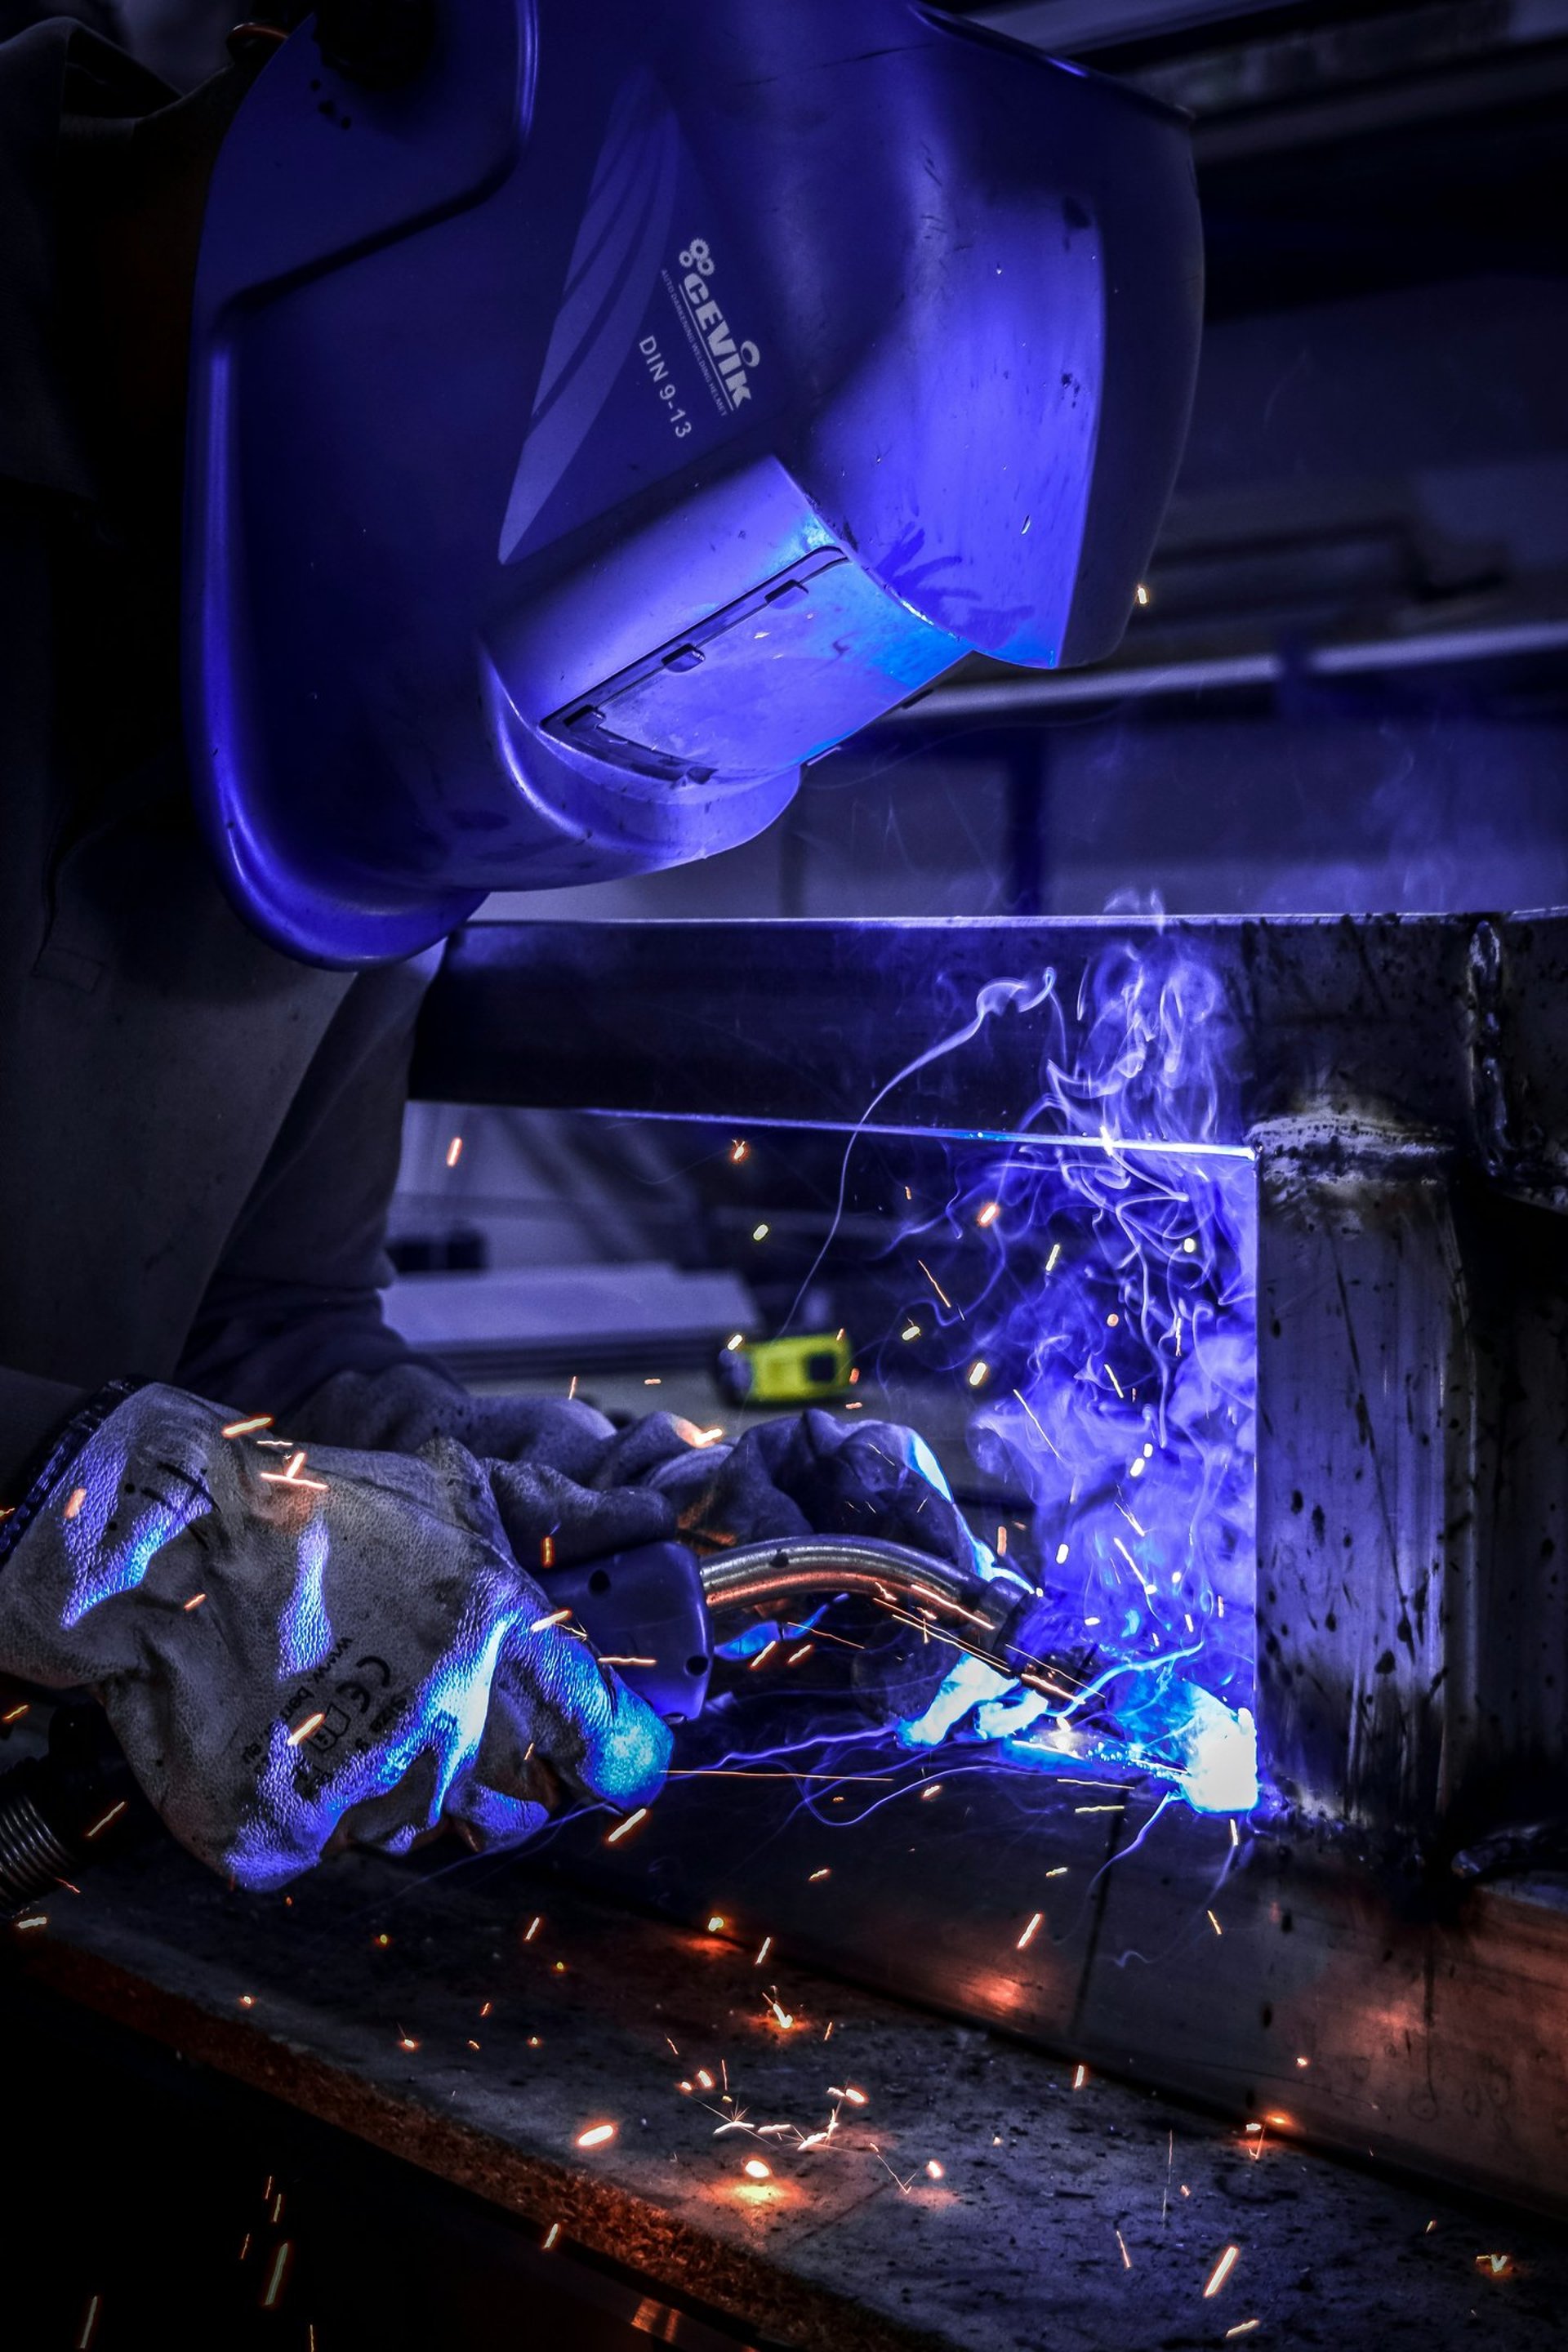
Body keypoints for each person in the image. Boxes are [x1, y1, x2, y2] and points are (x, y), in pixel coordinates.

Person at [0, 4, 1199, 1891]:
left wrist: (569, 1505)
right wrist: (97, 1523)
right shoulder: (325, 550)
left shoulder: (328, 704)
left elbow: (259, 1326)